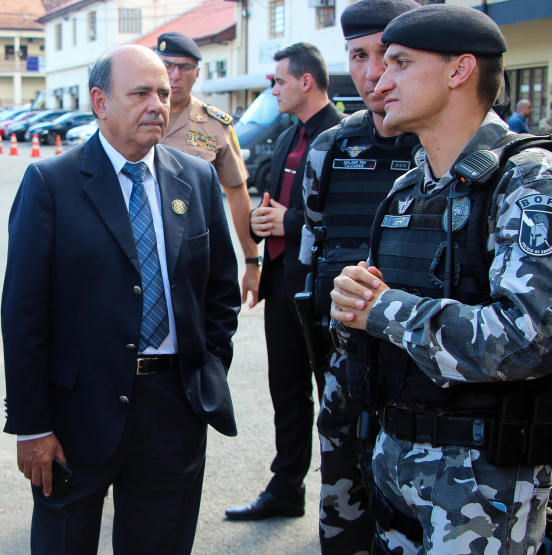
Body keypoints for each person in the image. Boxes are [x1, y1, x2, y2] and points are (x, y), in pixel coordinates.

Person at [329, 4, 552, 553]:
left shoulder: (531, 181)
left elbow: (532, 338)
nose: (379, 82)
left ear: (459, 71)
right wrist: (351, 303)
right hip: (397, 465)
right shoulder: (410, 190)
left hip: (483, 485)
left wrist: (382, 309)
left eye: (400, 63)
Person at [2, 44, 240, 554]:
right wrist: (32, 425)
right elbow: (24, 314)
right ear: (100, 102)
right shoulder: (51, 183)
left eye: (162, 91)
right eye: (140, 93)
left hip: (174, 406)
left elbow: (220, 290)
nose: (159, 102)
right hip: (76, 413)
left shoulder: (195, 178)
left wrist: (206, 368)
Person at [296, 0, 421, 550]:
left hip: (428, 388)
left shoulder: (447, 148)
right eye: (358, 55)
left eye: (389, 56)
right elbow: (312, 254)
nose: (373, 74)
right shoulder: (331, 148)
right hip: (346, 379)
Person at [225, 42, 346, 521]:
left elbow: (352, 218)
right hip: (281, 284)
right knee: (287, 392)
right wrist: (258, 234)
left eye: (278, 81)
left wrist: (289, 222)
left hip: (323, 290)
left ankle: (344, 498)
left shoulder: (343, 135)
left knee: (334, 396)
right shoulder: (286, 137)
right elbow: (273, 202)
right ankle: (287, 487)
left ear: (306, 81)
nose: (272, 89)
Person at [156, 32, 260, 306]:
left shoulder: (216, 125)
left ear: (197, 73)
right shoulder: (135, 114)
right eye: (167, 65)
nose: (174, 75)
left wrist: (251, 261)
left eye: (185, 67)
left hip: (193, 254)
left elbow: (238, 196)